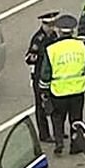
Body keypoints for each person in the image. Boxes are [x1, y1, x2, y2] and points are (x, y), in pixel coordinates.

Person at [38, 14, 85, 156]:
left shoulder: (52, 48)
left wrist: (44, 89)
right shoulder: (81, 46)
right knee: (76, 118)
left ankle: (59, 142)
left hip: (58, 91)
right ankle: (75, 145)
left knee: (58, 117)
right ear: (73, 30)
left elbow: (46, 71)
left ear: (59, 30)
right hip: (78, 88)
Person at [25, 12, 60, 143]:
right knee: (42, 106)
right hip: (40, 76)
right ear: (43, 24)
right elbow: (29, 58)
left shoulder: (54, 36)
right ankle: (44, 134)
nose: (51, 28)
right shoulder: (38, 39)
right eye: (48, 25)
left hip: (53, 75)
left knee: (55, 104)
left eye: (53, 25)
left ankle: (58, 132)